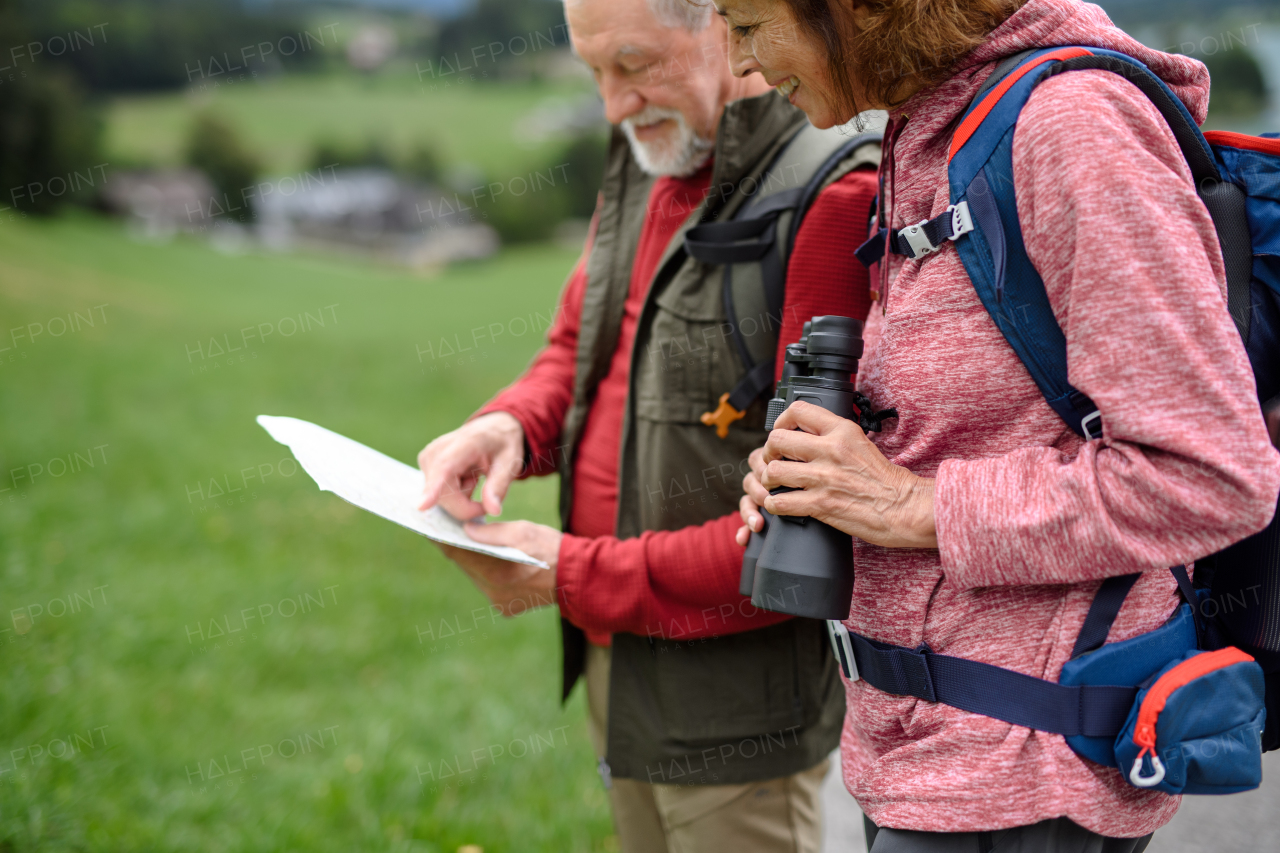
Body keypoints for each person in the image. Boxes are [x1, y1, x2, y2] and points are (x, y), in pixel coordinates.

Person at [717, 0, 1280, 850]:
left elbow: (1209, 475)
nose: (738, 63)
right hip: (917, 759)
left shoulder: (1071, 127)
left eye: (747, 21)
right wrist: (832, 474)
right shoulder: (929, 126)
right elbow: (992, 417)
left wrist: (912, 504)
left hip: (1023, 778)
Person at [416, 0, 881, 850]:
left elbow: (798, 533)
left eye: (633, 66)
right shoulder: (650, 149)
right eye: (593, 72)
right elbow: (581, 345)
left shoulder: (834, 194)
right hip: (618, 676)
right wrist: (509, 427)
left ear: (728, 22)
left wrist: (568, 575)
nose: (612, 105)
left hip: (737, 725)